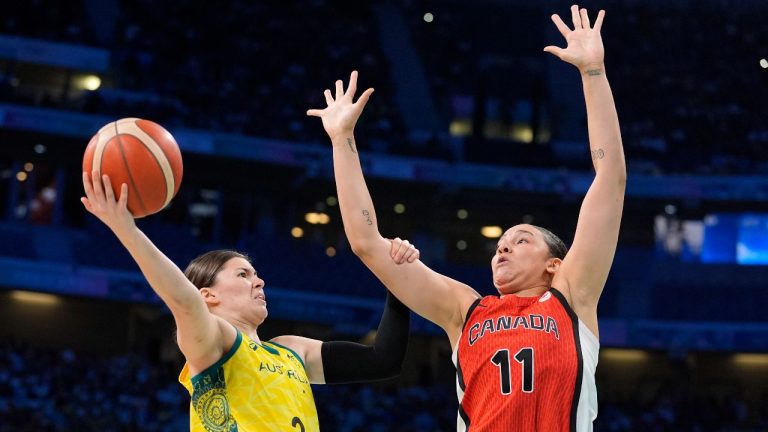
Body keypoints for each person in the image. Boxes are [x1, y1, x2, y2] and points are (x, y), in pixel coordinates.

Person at [307, 5, 624, 431]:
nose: (504, 247)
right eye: (500, 244)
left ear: (555, 263)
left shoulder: (572, 295)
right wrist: (342, 141)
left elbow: (611, 179)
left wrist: (593, 73)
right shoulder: (465, 309)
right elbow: (365, 243)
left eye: (522, 239)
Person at [80, 170, 420, 431]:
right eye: (242, 274)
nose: (258, 280)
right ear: (208, 295)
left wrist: (397, 279)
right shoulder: (216, 343)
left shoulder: (292, 349)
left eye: (255, 274)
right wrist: (127, 230)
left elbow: (382, 360)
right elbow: (183, 300)